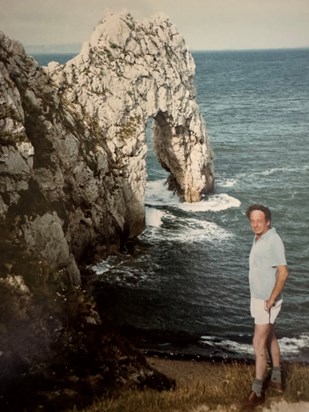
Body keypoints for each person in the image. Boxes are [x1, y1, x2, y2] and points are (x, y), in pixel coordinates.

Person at [242, 204, 289, 410]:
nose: (255, 224)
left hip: (266, 301)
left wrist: (271, 299)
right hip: (259, 298)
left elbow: (284, 272)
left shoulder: (273, 240)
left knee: (258, 342)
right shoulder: (260, 237)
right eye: (252, 221)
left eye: (259, 220)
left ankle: (258, 391)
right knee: (270, 337)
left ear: (268, 221)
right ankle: (277, 379)